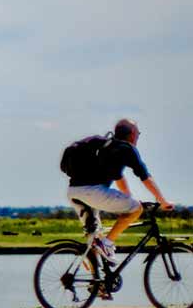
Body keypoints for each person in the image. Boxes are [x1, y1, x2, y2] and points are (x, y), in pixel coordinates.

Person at [67, 119, 172, 295]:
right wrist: (162, 201)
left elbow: (119, 177)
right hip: (92, 192)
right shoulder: (127, 149)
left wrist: (128, 197)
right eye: (138, 133)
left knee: (94, 240)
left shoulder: (108, 147)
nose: (138, 136)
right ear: (131, 134)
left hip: (74, 192)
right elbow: (145, 177)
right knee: (136, 209)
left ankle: (98, 284)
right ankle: (107, 243)